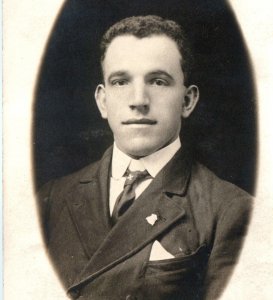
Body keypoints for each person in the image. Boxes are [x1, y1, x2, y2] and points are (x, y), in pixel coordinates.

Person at [38, 15, 252, 300]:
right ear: (103, 101)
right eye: (121, 82)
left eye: (158, 81)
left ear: (187, 101)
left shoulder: (230, 211)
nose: (138, 100)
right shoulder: (52, 198)